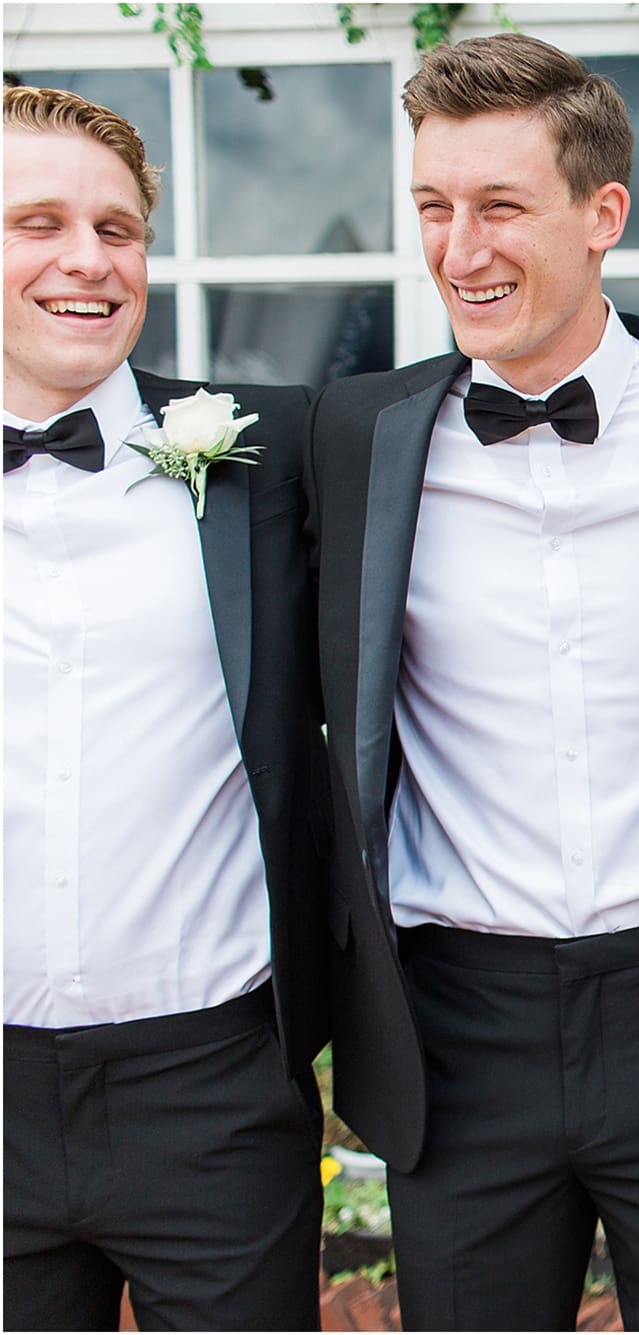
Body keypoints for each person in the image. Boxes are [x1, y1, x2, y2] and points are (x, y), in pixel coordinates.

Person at [302, 34, 639, 1330]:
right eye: (433, 207)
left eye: (500, 206)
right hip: (456, 1020)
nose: (459, 248)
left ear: (604, 214)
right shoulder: (348, 437)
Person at [3, 85, 327, 1330]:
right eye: (39, 223)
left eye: (118, 229)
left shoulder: (277, 454)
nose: (89, 261)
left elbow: (480, 434)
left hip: (212, 1091)